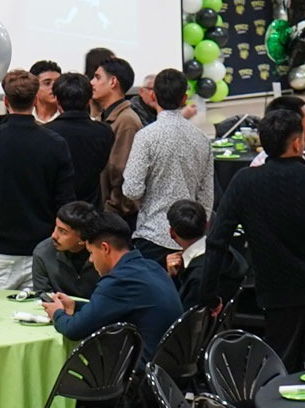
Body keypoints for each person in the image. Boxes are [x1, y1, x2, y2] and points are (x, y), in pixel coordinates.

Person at [201, 108, 305, 365]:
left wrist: (208, 294)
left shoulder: (244, 181)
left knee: (281, 370)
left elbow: (217, 239)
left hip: (276, 295)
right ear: (297, 143)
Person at [0, 71, 75, 290]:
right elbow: (65, 200)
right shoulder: (55, 143)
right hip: (42, 249)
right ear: (35, 100)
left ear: (6, 101)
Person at [43, 211, 181, 361]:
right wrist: (75, 306)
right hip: (170, 363)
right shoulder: (152, 266)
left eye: (91, 252)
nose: (91, 260)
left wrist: (57, 313)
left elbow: (74, 330)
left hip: (141, 369)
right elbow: (107, 308)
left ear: (105, 248)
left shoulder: (119, 280)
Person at [122, 68, 213, 263]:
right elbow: (206, 197)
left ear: (153, 96)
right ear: (184, 99)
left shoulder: (146, 137)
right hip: (189, 239)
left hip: (152, 235)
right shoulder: (202, 139)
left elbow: (131, 189)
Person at [44, 73, 114, 207]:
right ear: (89, 100)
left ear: (57, 100)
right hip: (92, 208)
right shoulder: (104, 131)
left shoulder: (45, 133)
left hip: (56, 210)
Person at [166, 198, 244, 311]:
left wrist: (171, 279)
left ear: (172, 233)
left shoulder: (197, 277)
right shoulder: (228, 252)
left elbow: (181, 316)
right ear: (207, 225)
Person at [91, 57, 143, 218]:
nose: (92, 83)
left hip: (117, 215)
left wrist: (110, 210)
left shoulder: (126, 121)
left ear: (113, 82)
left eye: (97, 77)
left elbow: (122, 172)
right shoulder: (103, 117)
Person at [30, 201, 101, 298]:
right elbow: (42, 295)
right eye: (56, 227)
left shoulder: (103, 254)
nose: (54, 235)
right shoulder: (43, 253)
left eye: (63, 232)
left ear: (82, 239)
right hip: (58, 306)